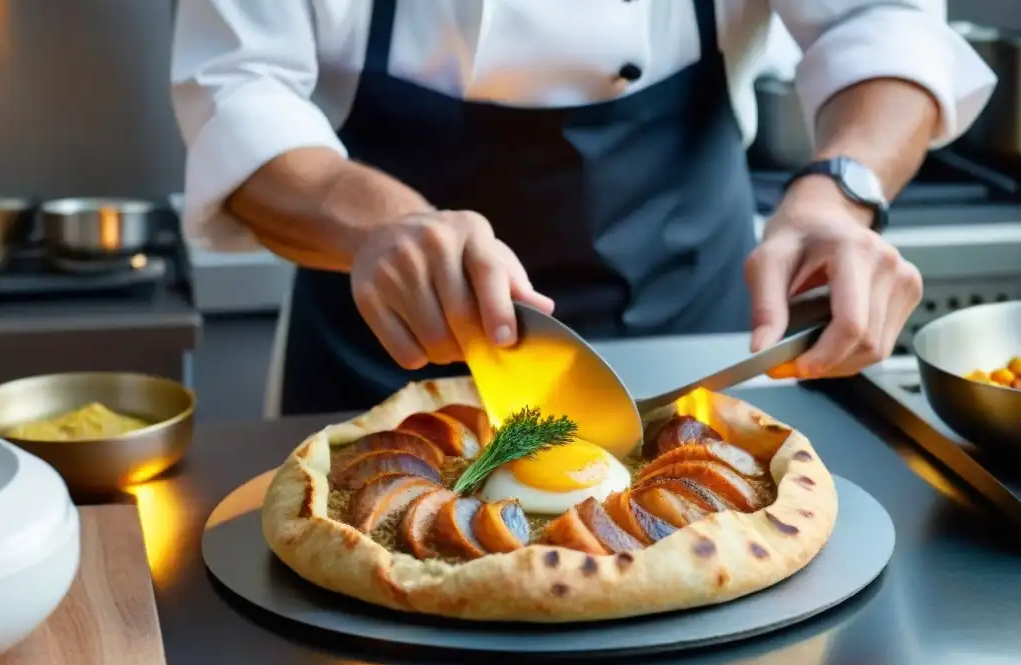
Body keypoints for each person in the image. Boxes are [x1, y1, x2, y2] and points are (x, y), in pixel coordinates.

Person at [171, 0, 994, 416]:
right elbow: (238, 91)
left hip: (698, 351)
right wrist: (381, 225)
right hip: (384, 368)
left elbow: (879, 18)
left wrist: (840, 194)